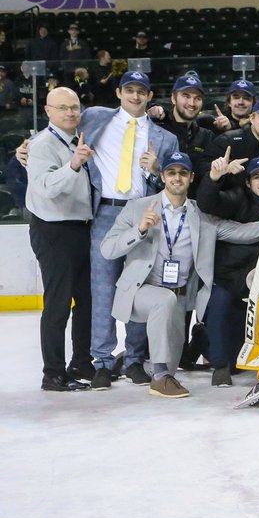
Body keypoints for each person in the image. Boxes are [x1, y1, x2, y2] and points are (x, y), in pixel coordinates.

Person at [99, 152, 259, 398]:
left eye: (183, 173)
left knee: (171, 359)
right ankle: (160, 376)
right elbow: (107, 249)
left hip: (180, 300)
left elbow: (245, 232)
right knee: (163, 304)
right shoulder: (138, 207)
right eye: (171, 172)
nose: (177, 178)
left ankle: (156, 370)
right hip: (141, 291)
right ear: (162, 177)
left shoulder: (201, 216)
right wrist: (139, 230)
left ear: (191, 178)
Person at [80, 70, 180, 389]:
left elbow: (170, 181)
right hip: (106, 212)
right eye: (130, 90)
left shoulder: (165, 138)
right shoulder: (96, 119)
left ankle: (135, 359)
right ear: (119, 93)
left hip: (145, 212)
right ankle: (103, 362)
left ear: (150, 97)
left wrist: (155, 170)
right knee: (103, 288)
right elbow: (63, 130)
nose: (136, 96)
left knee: (140, 285)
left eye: (142, 91)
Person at [196, 156, 259, 387]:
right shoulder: (236, 199)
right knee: (219, 307)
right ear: (248, 182)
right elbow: (207, 203)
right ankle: (219, 366)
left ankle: (200, 344)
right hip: (228, 278)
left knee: (239, 362)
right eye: (257, 177)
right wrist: (214, 178)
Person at [25, 87, 93, 391]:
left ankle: (80, 362)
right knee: (59, 303)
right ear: (48, 111)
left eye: (75, 107)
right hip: (53, 230)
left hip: (80, 228)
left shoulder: (76, 139)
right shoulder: (40, 145)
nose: (70, 112)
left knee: (87, 302)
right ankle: (52, 372)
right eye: (62, 107)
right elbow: (46, 188)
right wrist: (74, 165)